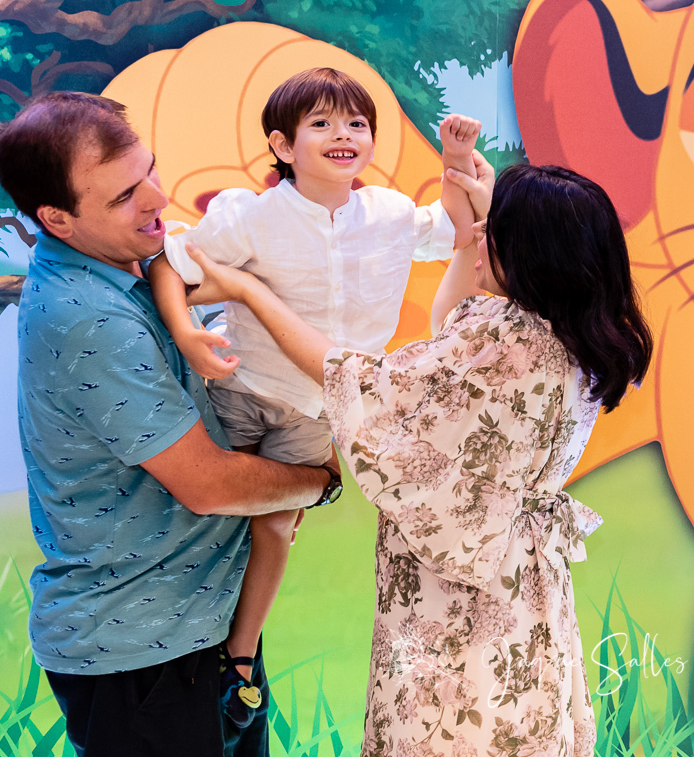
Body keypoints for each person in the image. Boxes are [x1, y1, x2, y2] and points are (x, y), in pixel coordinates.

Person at [182, 157, 655, 757]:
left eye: (497, 230)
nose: (482, 239)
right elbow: (449, 325)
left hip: (463, 594)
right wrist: (475, 225)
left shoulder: (507, 341)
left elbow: (359, 381)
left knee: (450, 729)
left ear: (530, 254)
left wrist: (251, 290)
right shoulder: (572, 329)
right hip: (527, 581)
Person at [0, 91, 343, 757]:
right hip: (140, 655)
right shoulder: (89, 319)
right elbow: (207, 484)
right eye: (124, 197)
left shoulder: (130, 266)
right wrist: (318, 482)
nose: (156, 198)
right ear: (56, 218)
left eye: (149, 171)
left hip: (203, 629)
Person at [147, 67, 481, 726]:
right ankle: (177, 638)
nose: (343, 135)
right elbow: (169, 262)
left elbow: (457, 229)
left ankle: (240, 654)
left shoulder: (387, 215)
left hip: (315, 406)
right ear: (282, 144)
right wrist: (186, 331)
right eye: (322, 124)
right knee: (207, 517)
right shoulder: (249, 215)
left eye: (357, 123)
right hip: (239, 387)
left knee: (276, 524)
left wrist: (457, 161)